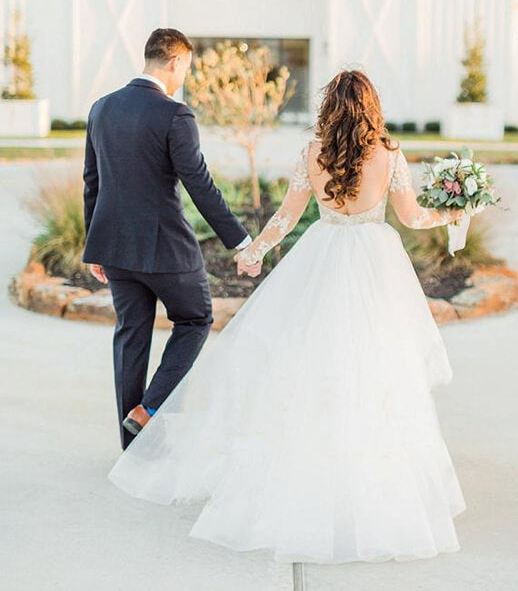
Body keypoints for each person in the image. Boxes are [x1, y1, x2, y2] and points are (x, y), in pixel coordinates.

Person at [106, 69, 467, 564]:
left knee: (309, 367)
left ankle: (307, 469)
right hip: (375, 266)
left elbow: (287, 218)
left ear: (329, 108)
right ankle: (366, 479)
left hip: (322, 259)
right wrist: (455, 212)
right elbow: (412, 217)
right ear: (371, 108)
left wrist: (254, 251)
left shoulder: (313, 154)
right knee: (377, 368)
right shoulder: (389, 153)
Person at [82, 28, 258, 451]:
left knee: (131, 336)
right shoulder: (174, 114)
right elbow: (200, 185)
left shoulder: (101, 109)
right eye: (187, 69)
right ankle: (147, 410)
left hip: (115, 248)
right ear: (177, 62)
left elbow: (92, 181)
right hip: (167, 251)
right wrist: (241, 242)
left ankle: (131, 446)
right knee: (196, 319)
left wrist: (94, 245)